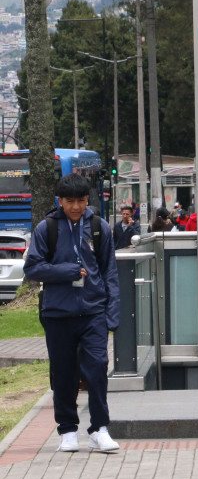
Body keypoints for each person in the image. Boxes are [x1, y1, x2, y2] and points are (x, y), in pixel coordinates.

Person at [23, 173, 120, 453]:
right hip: (58, 313)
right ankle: (67, 430)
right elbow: (32, 268)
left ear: (87, 199)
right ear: (60, 201)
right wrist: (66, 271)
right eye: (69, 201)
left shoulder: (99, 227)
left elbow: (110, 272)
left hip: (93, 312)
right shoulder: (47, 228)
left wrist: (112, 310)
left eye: (80, 200)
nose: (75, 206)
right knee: (63, 373)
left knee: (98, 368)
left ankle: (100, 428)